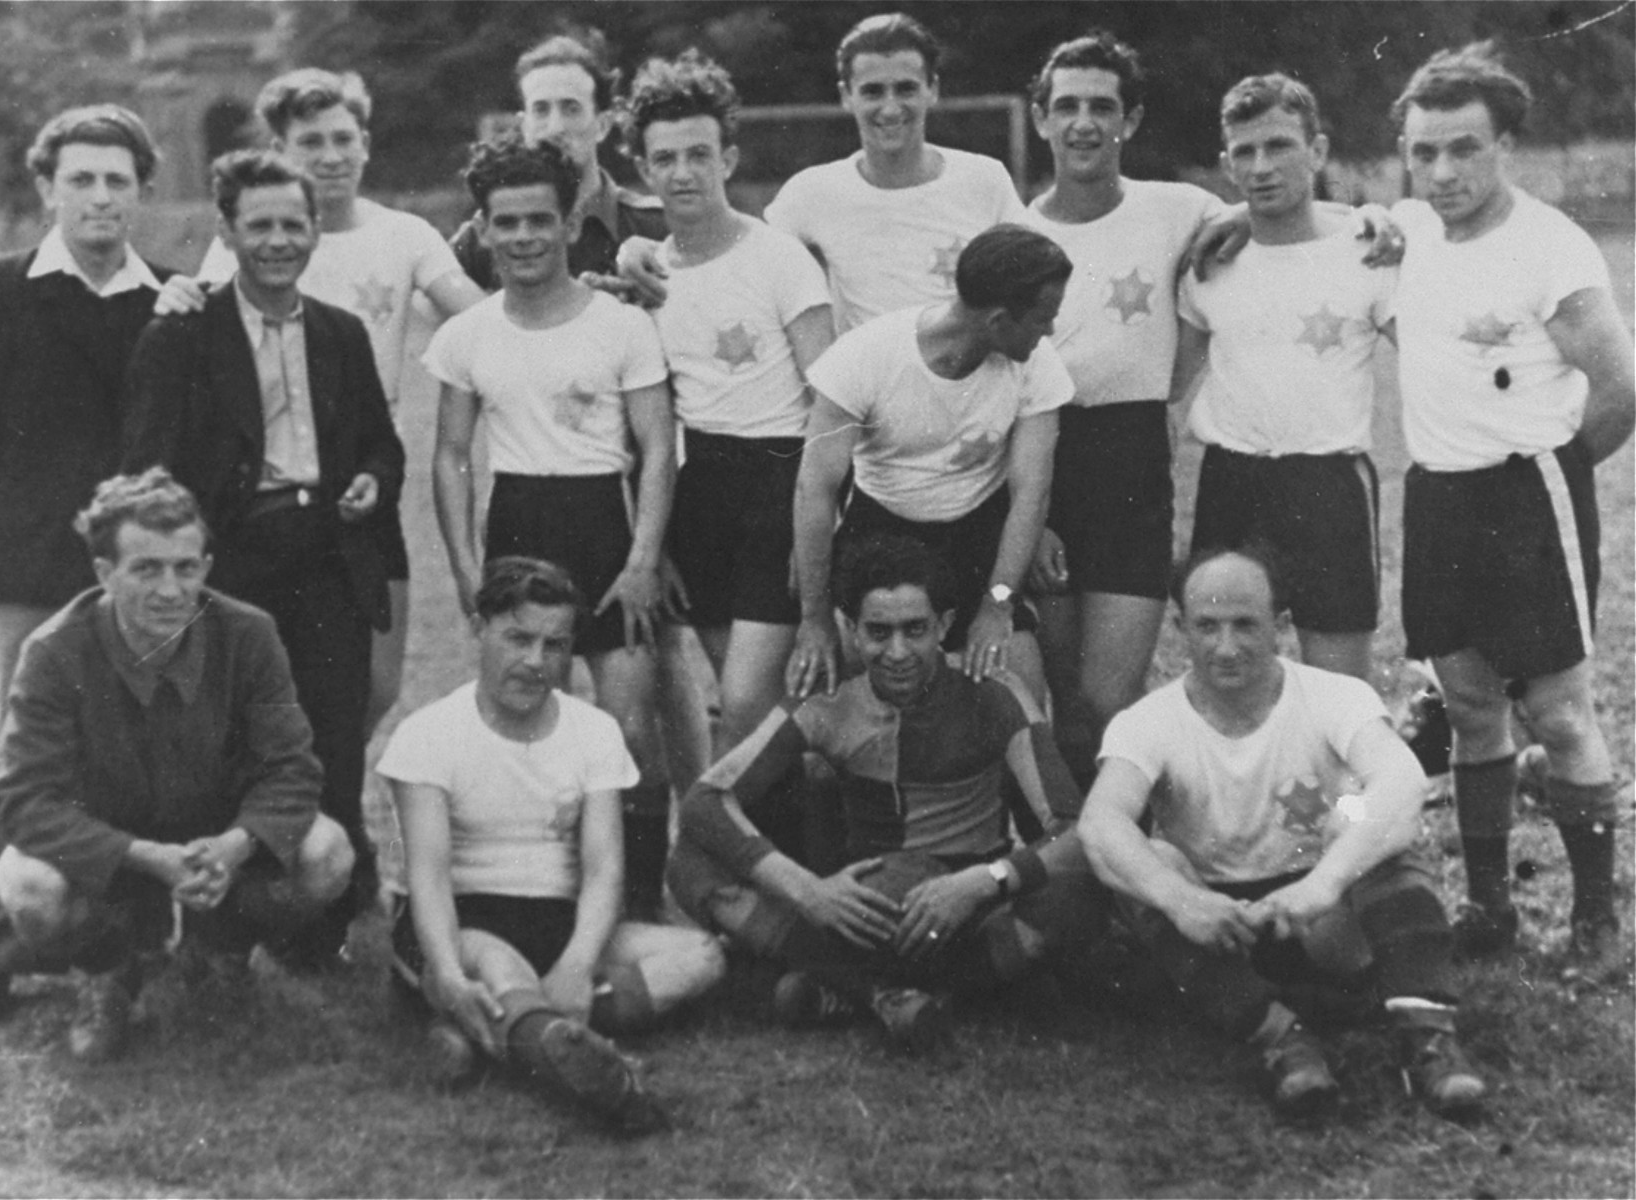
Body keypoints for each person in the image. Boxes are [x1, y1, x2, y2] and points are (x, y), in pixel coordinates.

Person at [1079, 545, 1487, 1117]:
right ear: (1180, 628)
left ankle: (1428, 1035)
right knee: (1147, 860)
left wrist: (1324, 882)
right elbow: (1100, 824)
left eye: (1246, 625)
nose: (1226, 647)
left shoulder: (1333, 696)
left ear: (1281, 626)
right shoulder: (1148, 722)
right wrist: (1182, 901)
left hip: (1326, 919)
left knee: (1365, 819)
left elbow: (1402, 781)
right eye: (1207, 626)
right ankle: (1282, 1040)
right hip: (1226, 933)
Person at [123, 149, 406, 967]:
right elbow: (146, 464)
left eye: (293, 224)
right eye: (261, 226)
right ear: (228, 231)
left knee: (331, 739)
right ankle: (220, 929)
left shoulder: (340, 332)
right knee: (225, 744)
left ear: (316, 230)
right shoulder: (184, 329)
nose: (278, 241)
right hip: (233, 564)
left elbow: (384, 448)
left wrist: (368, 481)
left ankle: (321, 925)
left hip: (327, 560)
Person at [0, 104, 172, 1025]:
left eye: (117, 180)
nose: (100, 197)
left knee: (148, 741)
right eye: (82, 179)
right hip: (33, 562)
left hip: (147, 570)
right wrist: (22, 520)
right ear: (47, 188)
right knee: (18, 753)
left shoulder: (171, 297)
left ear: (141, 190)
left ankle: (137, 940)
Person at [1385, 44, 1634, 964]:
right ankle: (1491, 907)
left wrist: (1548, 476)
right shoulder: (1408, 228)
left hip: (1528, 496)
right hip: (1436, 497)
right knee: (1470, 703)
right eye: (1425, 151)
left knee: (1562, 715)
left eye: (1464, 149)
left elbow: (1620, 386)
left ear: (1505, 148)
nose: (1443, 171)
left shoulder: (1550, 246)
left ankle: (1597, 923)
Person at [669, 536, 1105, 1049]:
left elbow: (1077, 829)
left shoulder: (994, 692)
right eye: (878, 632)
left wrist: (983, 883)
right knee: (690, 862)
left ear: (943, 626)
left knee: (1083, 889)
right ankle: (927, 992)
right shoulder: (829, 699)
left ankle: (854, 990)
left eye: (915, 630)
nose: (897, 652)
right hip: (863, 910)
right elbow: (705, 799)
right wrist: (807, 889)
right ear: (852, 630)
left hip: (972, 905)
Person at [0, 469, 354, 1063]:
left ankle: (224, 952)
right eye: (146, 569)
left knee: (328, 853)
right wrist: (141, 857)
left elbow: (293, 769)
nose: (171, 589)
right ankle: (107, 973)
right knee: (26, 883)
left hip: (219, 854)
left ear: (206, 566)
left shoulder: (249, 634)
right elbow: (23, 801)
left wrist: (235, 846)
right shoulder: (52, 652)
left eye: (187, 567)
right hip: (111, 859)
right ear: (105, 574)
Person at [158, 68, 486, 736]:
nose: (332, 156)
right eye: (311, 141)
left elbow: (481, 322)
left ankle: (315, 786)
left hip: (368, 477)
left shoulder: (406, 235)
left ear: (366, 143)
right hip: (272, 496)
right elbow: (203, 326)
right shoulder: (257, 238)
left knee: (375, 685)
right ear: (281, 151)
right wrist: (177, 298)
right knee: (279, 679)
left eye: (344, 138)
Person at [378, 556, 724, 1131]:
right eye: (518, 638)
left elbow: (604, 870)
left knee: (700, 957)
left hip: (554, 923)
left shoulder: (593, 732)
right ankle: (604, 1085)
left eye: (554, 645)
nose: (536, 662)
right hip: (459, 926)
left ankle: (496, 1032)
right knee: (498, 960)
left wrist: (578, 965)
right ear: (479, 628)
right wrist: (444, 968)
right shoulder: (429, 733)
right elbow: (430, 878)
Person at [428, 136, 678, 917]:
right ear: (484, 229)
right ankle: (541, 892)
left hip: (603, 524)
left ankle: (638, 899)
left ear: (570, 223)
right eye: (507, 223)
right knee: (530, 717)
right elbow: (449, 457)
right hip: (518, 528)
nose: (525, 237)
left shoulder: (620, 325)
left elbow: (658, 447)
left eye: (540, 219)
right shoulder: (466, 335)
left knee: (631, 727)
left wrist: (643, 558)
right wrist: (470, 572)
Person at [1020, 34, 1224, 786]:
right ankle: (1066, 872)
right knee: (1057, 703)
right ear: (1040, 119)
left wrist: (1369, 224)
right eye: (1065, 106)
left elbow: (1270, 217)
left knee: (1111, 702)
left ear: (1130, 120)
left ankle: (1121, 871)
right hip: (1039, 465)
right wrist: (1028, 513)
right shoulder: (1013, 228)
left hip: (1131, 460)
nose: (1083, 123)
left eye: (1101, 107)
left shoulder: (1177, 208)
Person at [623, 52, 836, 755]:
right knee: (744, 704)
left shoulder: (778, 258)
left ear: (729, 158)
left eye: (698, 154)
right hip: (702, 491)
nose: (683, 172)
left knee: (746, 703)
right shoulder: (648, 275)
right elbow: (647, 424)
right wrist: (662, 541)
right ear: (644, 171)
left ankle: (744, 847)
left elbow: (830, 398)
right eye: (665, 159)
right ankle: (764, 854)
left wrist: (819, 520)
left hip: (782, 482)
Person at [1171, 73, 1398, 683]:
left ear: (1317, 152)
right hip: (1231, 478)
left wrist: (1368, 212)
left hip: (1327, 482)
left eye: (1279, 147)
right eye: (1245, 152)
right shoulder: (1210, 263)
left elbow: (1435, 360)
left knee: (1340, 682)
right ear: (1226, 165)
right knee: (1226, 671)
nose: (1262, 166)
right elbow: (1171, 387)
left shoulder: (1366, 252)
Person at [789, 223, 1073, 703]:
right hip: (880, 533)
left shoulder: (1037, 365)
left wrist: (998, 605)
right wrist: (814, 620)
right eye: (1044, 317)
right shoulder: (865, 358)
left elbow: (1031, 492)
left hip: (976, 536)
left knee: (1021, 694)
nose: (1050, 330)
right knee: (842, 699)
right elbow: (814, 490)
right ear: (1000, 321)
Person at [617, 13, 1027, 331]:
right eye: (871, 91)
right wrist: (644, 249)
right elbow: (736, 256)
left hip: (973, 421)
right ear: (846, 96)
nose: (889, 107)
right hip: (868, 428)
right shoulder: (811, 194)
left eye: (905, 88)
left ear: (932, 89)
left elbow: (1030, 289)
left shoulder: (984, 180)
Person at [449, 32, 668, 290]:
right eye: (541, 110)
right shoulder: (481, 240)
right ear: (523, 126)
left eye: (571, 108)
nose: (555, 127)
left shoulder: (655, 225)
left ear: (602, 125)